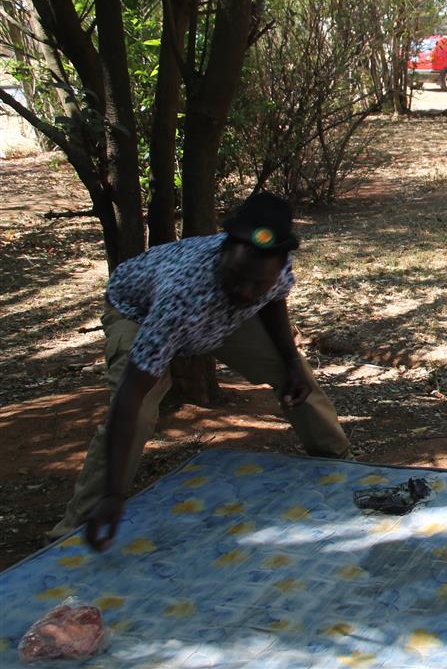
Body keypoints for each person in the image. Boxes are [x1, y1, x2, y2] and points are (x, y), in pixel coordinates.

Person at [49, 192, 351, 551]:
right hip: (139, 314)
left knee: (295, 375)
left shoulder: (274, 266)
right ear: (224, 252)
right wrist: (114, 494)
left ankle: (341, 464)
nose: (246, 291)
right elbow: (130, 397)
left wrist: (289, 360)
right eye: (238, 277)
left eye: (258, 283)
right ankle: (79, 527)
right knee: (139, 411)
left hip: (220, 318)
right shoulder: (181, 296)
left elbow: (272, 300)